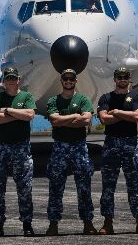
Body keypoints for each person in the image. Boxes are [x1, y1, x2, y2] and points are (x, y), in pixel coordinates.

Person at [96, 67, 138, 235]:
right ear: (115, 79)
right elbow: (104, 119)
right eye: (119, 77)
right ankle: (107, 223)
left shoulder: (135, 97)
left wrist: (118, 112)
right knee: (108, 187)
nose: (122, 79)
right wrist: (127, 114)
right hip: (111, 144)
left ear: (129, 79)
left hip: (130, 144)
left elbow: (137, 117)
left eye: (125, 76)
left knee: (134, 186)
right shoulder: (106, 97)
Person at [45, 69, 97, 236]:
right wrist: (75, 117)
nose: (68, 81)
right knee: (55, 187)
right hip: (60, 147)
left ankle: (88, 223)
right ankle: (53, 224)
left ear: (76, 80)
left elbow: (86, 120)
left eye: (71, 79)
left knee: (84, 188)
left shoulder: (83, 99)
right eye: (66, 78)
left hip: (79, 147)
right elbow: (54, 120)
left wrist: (63, 120)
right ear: (61, 80)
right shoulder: (54, 100)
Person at [0, 67, 37, 237]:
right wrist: (19, 115)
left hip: (21, 147)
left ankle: (27, 224)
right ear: (4, 80)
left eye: (13, 77)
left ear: (18, 80)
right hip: (2, 148)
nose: (10, 80)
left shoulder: (27, 96)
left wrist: (7, 111)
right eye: (7, 77)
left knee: (24, 188)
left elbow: (30, 115)